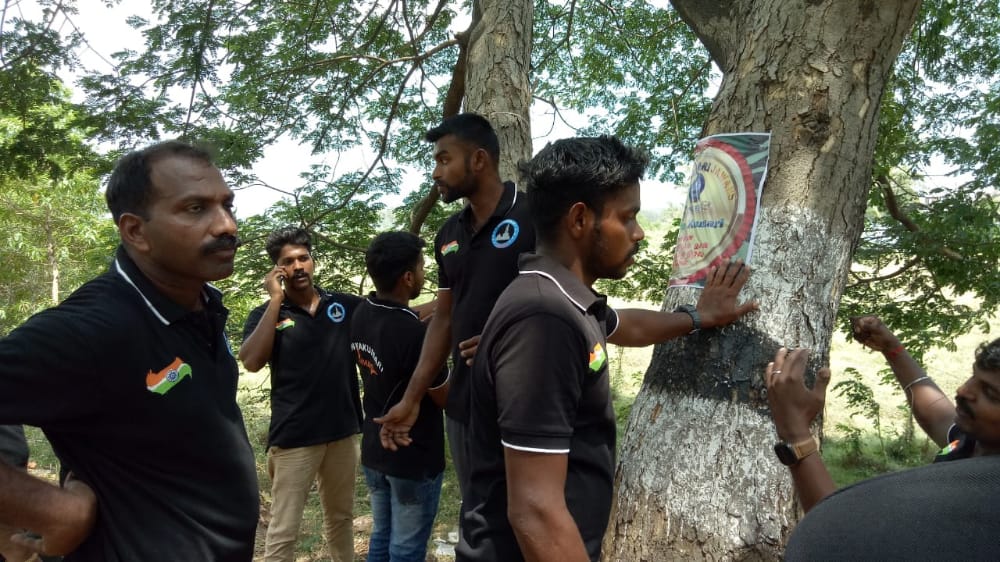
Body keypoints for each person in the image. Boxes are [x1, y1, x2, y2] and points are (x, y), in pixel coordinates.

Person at [456, 136, 758, 561]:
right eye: (627, 217)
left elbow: (627, 325)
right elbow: (535, 512)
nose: (639, 233)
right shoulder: (545, 320)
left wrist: (698, 316)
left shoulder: (566, 301)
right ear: (580, 219)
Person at [0, 140, 259, 561]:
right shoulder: (95, 328)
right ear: (136, 231)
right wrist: (54, 511)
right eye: (196, 208)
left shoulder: (201, 305)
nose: (226, 225)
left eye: (227, 205)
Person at [375, 113, 536, 501]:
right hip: (464, 408)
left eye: (444, 159)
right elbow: (443, 318)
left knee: (528, 513)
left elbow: (568, 302)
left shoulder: (534, 217)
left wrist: (511, 340)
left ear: (478, 160)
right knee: (477, 511)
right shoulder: (448, 234)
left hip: (526, 403)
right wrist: (411, 398)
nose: (436, 172)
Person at [765, 315, 1000, 512]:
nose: (963, 390)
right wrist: (892, 349)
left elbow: (839, 533)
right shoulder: (976, 442)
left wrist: (795, 434)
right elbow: (938, 417)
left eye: (990, 392)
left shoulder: (983, 499)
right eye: (973, 376)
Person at [239, 227, 362, 562]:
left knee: (341, 519)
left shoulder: (343, 305)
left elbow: (392, 318)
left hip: (342, 431)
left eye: (303, 258)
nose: (298, 266)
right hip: (295, 436)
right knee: (284, 531)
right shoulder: (267, 315)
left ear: (313, 261)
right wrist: (275, 301)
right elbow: (251, 361)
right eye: (288, 261)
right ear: (278, 270)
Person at [350, 231, 448, 562]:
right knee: (406, 549)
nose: (423, 274)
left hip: (375, 449)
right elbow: (444, 397)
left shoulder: (362, 313)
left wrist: (447, 308)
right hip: (412, 455)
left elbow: (400, 323)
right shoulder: (417, 337)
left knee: (381, 536)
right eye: (421, 267)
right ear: (407, 277)